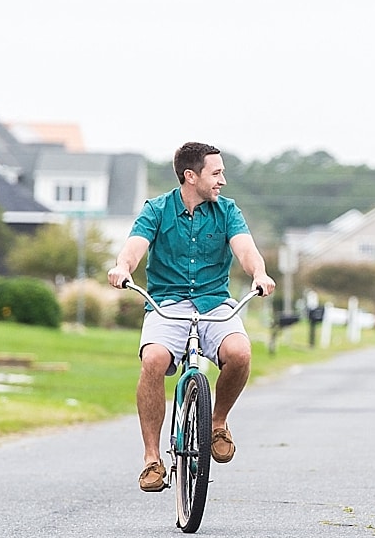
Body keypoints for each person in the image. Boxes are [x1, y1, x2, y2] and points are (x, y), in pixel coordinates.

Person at [108, 142, 277, 492]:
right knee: (153, 359)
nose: (222, 181)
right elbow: (134, 247)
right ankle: (152, 460)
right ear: (191, 176)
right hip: (167, 303)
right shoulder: (156, 210)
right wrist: (122, 268)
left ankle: (217, 423)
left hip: (214, 302)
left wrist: (259, 274)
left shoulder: (228, 211)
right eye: (216, 173)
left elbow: (246, 250)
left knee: (240, 353)